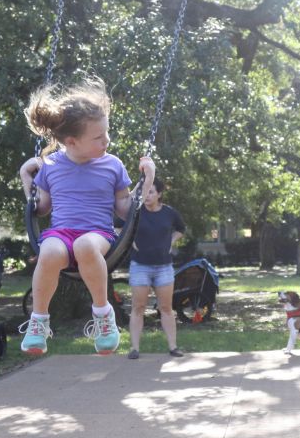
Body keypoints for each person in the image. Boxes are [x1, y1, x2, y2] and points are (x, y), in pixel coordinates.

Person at [18, 76, 155, 356]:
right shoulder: (52, 166)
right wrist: (25, 177)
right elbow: (41, 207)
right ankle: (39, 322)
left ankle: (103, 317)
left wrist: (147, 181)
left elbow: (125, 210)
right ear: (71, 141)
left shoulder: (112, 165)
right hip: (61, 232)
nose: (107, 140)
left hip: (98, 234)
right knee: (49, 251)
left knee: (84, 246)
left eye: (107, 133)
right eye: (98, 137)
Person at [127, 177, 186, 360]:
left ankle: (173, 347)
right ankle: (134, 348)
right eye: (144, 191)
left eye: (151, 191)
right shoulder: (135, 212)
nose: (147, 195)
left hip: (164, 268)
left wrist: (171, 241)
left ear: (159, 194)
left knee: (166, 307)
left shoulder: (169, 213)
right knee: (138, 307)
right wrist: (130, 241)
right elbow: (117, 228)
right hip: (140, 267)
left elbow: (181, 229)